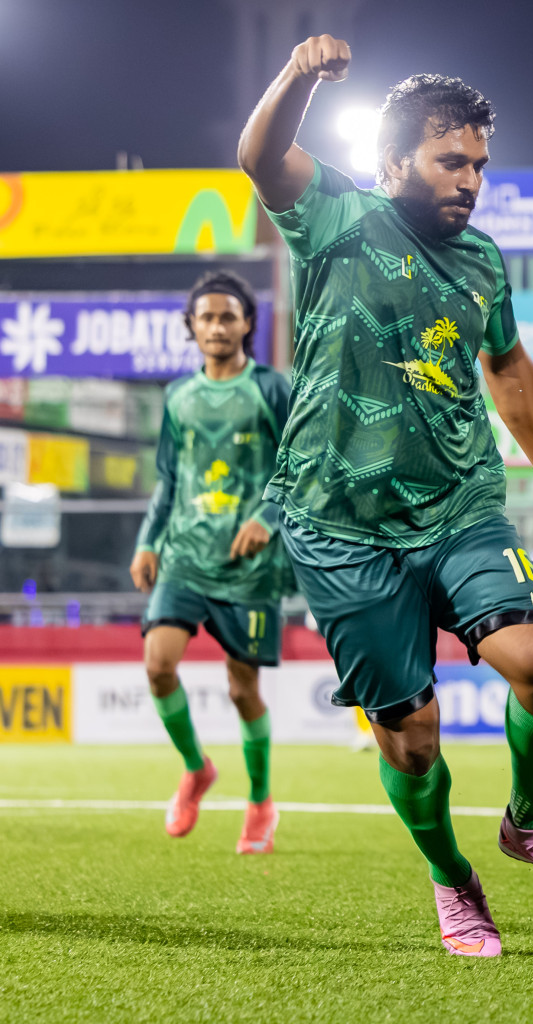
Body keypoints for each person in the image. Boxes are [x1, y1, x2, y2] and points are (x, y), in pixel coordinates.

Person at [237, 35, 533, 958]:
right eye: (452, 161)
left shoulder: (483, 260)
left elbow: (507, 364)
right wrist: (298, 75)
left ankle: (530, 822)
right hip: (339, 527)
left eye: (479, 164)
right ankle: (453, 879)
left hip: (461, 508)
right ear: (394, 159)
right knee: (411, 740)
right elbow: (258, 157)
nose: (471, 180)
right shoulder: (337, 215)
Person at [129, 270, 293, 854]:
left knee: (242, 690)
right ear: (192, 327)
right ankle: (196, 769)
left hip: (250, 567)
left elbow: (300, 464)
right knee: (157, 666)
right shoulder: (178, 395)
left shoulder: (272, 389)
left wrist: (267, 517)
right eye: (207, 317)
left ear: (248, 323)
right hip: (184, 557)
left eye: (228, 316)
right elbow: (169, 479)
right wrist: (148, 541)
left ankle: (260, 802)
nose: (217, 326)